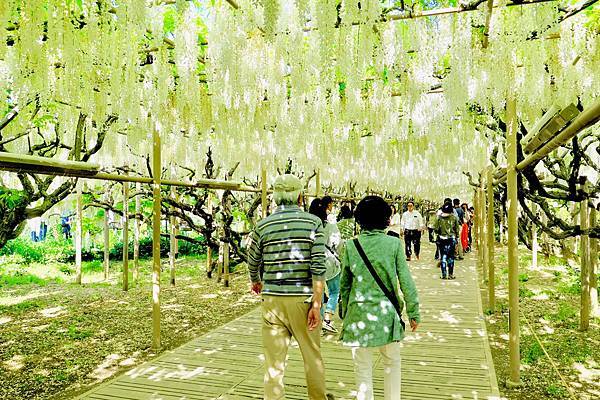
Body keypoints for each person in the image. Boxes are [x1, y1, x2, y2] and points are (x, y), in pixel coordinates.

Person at [247, 174, 330, 400]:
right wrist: (317, 303)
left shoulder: (263, 225)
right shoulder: (314, 223)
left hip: (272, 300)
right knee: (312, 356)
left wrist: (256, 280)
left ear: (275, 196)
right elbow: (318, 266)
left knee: (274, 363)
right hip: (303, 300)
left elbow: (252, 260)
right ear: (300, 196)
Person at [339, 196, 420, 400]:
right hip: (387, 315)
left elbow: (345, 284)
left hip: (358, 314)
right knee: (392, 362)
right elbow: (406, 281)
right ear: (386, 218)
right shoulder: (393, 244)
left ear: (359, 219)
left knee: (362, 368)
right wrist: (413, 311)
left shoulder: (351, 246)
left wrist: (344, 312)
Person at [309, 198, 342, 333]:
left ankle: (320, 320)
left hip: (314, 261)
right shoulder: (329, 225)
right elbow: (337, 242)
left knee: (319, 292)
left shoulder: (308, 226)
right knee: (334, 291)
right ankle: (327, 318)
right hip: (329, 260)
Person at [434, 202, 461, 279]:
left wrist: (439, 233)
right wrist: (457, 238)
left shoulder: (439, 218)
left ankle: (444, 274)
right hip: (451, 239)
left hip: (442, 239)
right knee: (451, 257)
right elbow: (457, 229)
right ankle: (450, 274)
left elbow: (435, 229)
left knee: (443, 257)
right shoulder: (454, 218)